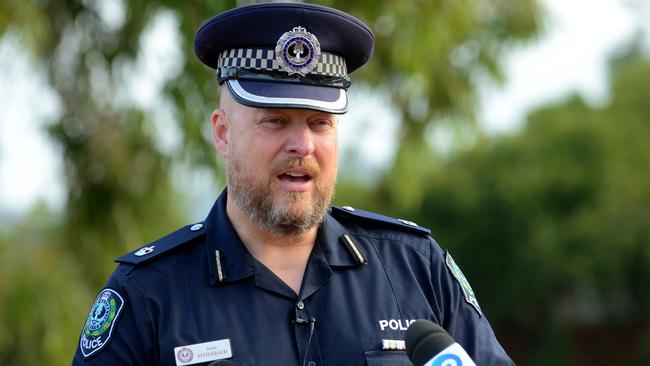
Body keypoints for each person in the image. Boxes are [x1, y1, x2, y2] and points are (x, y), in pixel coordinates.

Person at [72, 2, 514, 365]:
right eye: (275, 121)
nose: (301, 144)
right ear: (222, 133)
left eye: (320, 123)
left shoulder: (416, 268)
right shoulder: (148, 296)